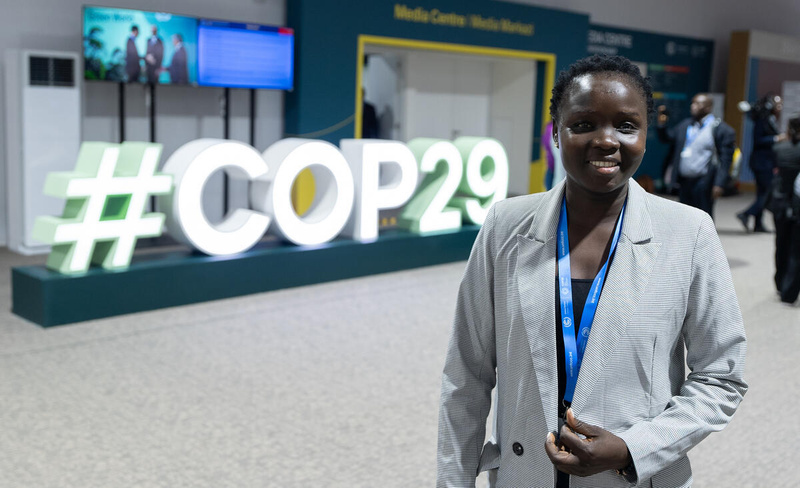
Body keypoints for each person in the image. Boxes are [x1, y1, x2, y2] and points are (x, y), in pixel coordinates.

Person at [437, 54, 747, 487]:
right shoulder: (504, 226)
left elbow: (722, 376)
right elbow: (466, 376)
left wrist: (633, 449)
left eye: (625, 125)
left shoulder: (689, 232)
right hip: (524, 474)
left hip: (633, 478)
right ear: (556, 135)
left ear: (645, 134)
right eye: (583, 124)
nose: (606, 140)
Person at [657, 93, 736, 219]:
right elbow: (667, 138)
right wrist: (662, 124)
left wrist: (719, 183)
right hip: (685, 181)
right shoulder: (686, 125)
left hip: (704, 180)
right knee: (684, 216)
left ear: (708, 108)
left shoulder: (720, 129)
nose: (693, 106)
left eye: (698, 104)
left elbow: (725, 160)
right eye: (692, 103)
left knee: (704, 216)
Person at [738, 94, 785, 232]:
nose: (780, 108)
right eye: (778, 104)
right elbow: (758, 140)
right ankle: (746, 214)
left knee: (761, 193)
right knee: (767, 193)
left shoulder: (770, 119)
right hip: (761, 162)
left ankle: (758, 224)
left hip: (766, 162)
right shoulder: (762, 120)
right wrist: (777, 138)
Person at [771, 115, 800, 303]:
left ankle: (780, 282)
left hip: (780, 201)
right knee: (796, 248)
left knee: (781, 244)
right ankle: (789, 288)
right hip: (797, 203)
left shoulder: (779, 148)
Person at [543, 120, 566, 190]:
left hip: (552, 167)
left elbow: (546, 146)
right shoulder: (552, 128)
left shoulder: (550, 127)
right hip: (554, 168)